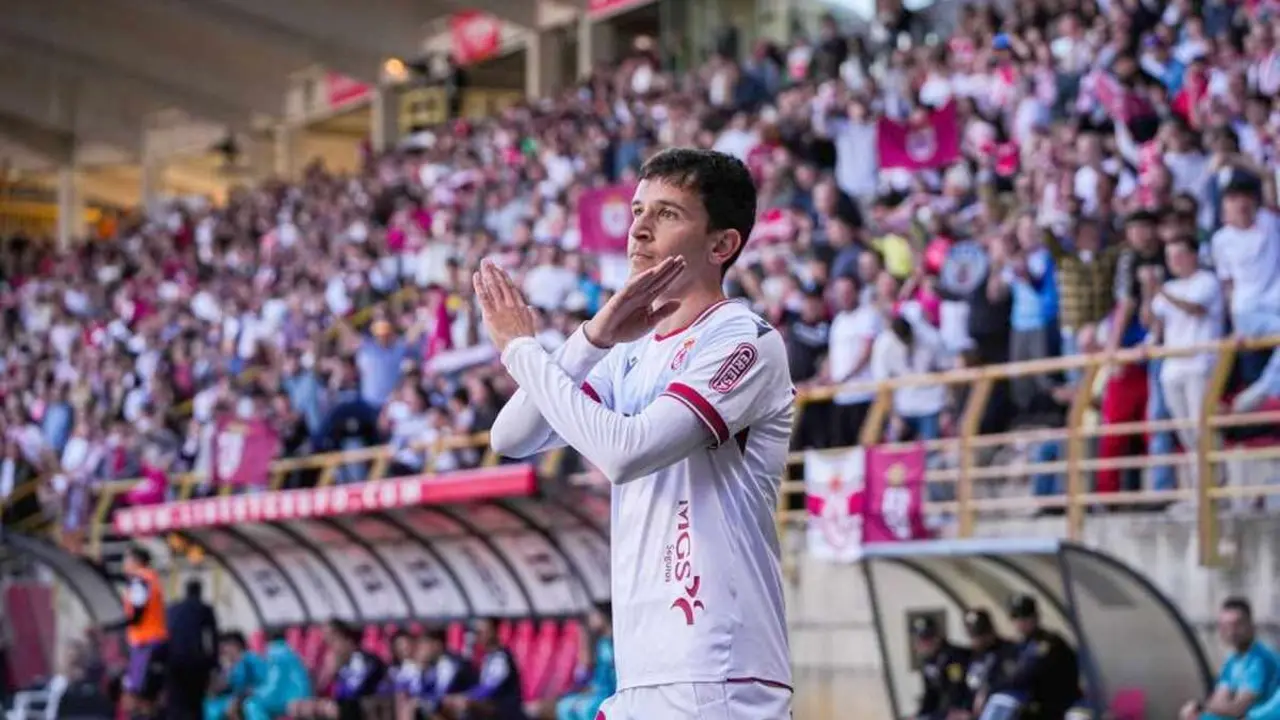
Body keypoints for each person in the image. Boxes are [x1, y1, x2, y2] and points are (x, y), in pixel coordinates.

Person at [484, 147, 793, 720]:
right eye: (636, 210)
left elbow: (624, 454)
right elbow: (513, 436)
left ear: (721, 245)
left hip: (716, 676)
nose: (639, 229)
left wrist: (521, 348)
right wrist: (594, 337)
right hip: (642, 675)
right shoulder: (631, 349)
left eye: (668, 214)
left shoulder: (743, 341)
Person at [1180, 597, 1280, 720]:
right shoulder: (1232, 660)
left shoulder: (1260, 660)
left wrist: (1200, 707)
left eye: (1236, 625)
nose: (1231, 632)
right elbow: (1219, 698)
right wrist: (1198, 710)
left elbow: (1238, 708)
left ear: (1250, 626)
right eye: (1225, 626)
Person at [987, 595, 1083, 720]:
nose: (1020, 622)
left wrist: (1001, 683)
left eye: (1025, 617)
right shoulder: (1018, 647)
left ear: (1035, 617)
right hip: (1032, 708)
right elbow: (998, 674)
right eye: (1016, 617)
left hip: (1053, 708)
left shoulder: (1049, 643)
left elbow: (1025, 675)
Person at [443, 618, 525, 720]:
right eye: (476, 633)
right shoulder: (486, 658)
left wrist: (465, 697)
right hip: (492, 707)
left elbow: (489, 688)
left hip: (505, 710)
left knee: (466, 705)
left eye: (481, 632)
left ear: (494, 632)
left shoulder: (500, 659)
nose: (477, 637)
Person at [121, 545, 168, 720]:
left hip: (145, 643)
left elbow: (137, 612)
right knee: (148, 691)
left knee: (140, 692)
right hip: (154, 640)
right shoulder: (152, 578)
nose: (124, 565)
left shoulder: (139, 580)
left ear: (136, 561)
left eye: (126, 560)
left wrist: (116, 624)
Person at [167, 579, 220, 720]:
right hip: (197, 662)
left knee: (177, 702)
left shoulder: (172, 609)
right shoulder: (204, 609)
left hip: (173, 661)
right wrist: (213, 662)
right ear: (200, 592)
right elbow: (213, 637)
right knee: (195, 703)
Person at [556, 604, 617, 720]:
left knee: (586, 709)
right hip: (597, 688)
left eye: (595, 614)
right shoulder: (600, 642)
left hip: (610, 690)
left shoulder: (614, 642)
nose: (591, 618)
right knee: (564, 706)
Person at [911, 616, 973, 720]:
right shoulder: (928, 661)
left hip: (963, 707)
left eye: (928, 638)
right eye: (921, 639)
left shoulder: (953, 656)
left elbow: (957, 688)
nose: (924, 643)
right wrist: (919, 714)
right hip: (943, 710)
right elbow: (930, 693)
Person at [242, 631, 313, 720]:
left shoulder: (276, 654)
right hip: (300, 697)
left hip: (293, 701)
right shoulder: (289, 652)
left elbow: (275, 687)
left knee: (252, 704)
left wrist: (256, 693)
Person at [962, 609, 1018, 717]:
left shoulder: (1007, 650)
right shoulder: (971, 655)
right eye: (973, 635)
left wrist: (986, 691)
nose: (977, 639)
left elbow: (1011, 679)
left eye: (981, 634)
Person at [416, 627, 477, 719]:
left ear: (437, 645)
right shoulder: (431, 666)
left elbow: (441, 695)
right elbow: (423, 693)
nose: (421, 649)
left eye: (425, 645)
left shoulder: (450, 664)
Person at [205, 631, 266, 720]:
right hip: (230, 700)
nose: (222, 651)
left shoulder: (250, 659)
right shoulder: (228, 665)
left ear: (235, 645)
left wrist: (239, 698)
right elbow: (220, 687)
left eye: (224, 647)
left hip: (250, 699)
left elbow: (261, 684)